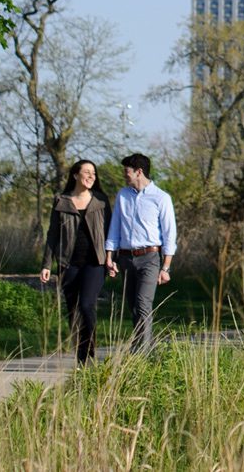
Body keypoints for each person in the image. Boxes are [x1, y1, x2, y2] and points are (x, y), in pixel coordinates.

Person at [103, 152, 176, 352]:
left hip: (150, 258)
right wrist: (109, 255)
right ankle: (146, 347)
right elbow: (115, 226)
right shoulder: (122, 195)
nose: (124, 175)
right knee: (133, 307)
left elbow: (170, 234)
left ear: (139, 172)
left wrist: (166, 267)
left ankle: (140, 354)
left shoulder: (161, 198)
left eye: (127, 171)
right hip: (126, 258)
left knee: (143, 303)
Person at [39, 158, 109, 364]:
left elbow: (110, 233)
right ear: (75, 175)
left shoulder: (101, 201)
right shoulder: (61, 201)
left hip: (95, 263)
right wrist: (46, 264)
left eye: (93, 173)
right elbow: (52, 234)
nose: (90, 176)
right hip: (68, 264)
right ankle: (81, 357)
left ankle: (90, 352)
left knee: (87, 305)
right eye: (86, 172)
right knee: (73, 310)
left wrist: (112, 259)